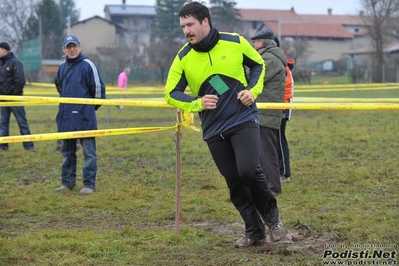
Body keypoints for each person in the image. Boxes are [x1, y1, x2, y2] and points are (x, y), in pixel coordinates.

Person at [164, 1, 287, 248]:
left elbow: (258, 65)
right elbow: (171, 93)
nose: (186, 31)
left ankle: (272, 219)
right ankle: (254, 232)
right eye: (183, 26)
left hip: (243, 118)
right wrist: (197, 102)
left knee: (248, 170)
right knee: (233, 181)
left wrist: (253, 90)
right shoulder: (183, 57)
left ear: (205, 22)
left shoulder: (235, 42)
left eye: (190, 25)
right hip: (213, 129)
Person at [54, 35, 106, 195]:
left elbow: (99, 90)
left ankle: (89, 185)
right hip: (66, 117)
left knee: (89, 153)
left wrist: (89, 109)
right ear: (63, 50)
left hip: (85, 118)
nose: (72, 49)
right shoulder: (62, 67)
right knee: (67, 153)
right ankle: (67, 182)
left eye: (74, 46)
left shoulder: (88, 65)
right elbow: (58, 85)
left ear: (80, 47)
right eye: (68, 47)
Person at [251, 30, 287, 196]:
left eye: (255, 42)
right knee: (261, 152)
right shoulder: (269, 57)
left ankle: (273, 187)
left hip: (266, 113)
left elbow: (255, 78)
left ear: (262, 43)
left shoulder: (269, 59)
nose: (253, 45)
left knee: (267, 153)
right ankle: (267, 186)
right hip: (264, 112)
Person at [0, 42, 35, 152]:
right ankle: (2, 146)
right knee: (3, 123)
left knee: (22, 122)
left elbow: (20, 80)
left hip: (15, 99)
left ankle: (29, 146)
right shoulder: (1, 64)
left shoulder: (15, 62)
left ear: (5, 50)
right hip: (3, 99)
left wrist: (14, 95)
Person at [279, 49, 295, 183]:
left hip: (281, 108)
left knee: (279, 140)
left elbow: (285, 90)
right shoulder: (282, 65)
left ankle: (285, 173)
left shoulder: (282, 68)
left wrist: (282, 109)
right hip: (279, 107)